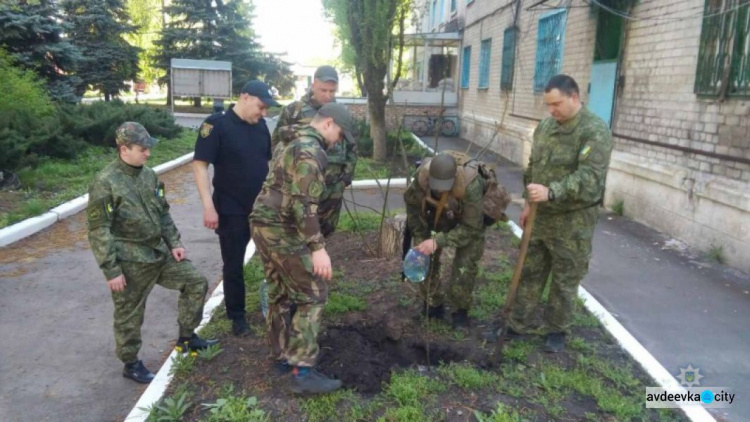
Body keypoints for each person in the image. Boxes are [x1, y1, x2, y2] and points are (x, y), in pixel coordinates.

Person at [87, 122, 217, 384]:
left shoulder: (149, 176)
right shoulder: (105, 182)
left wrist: (175, 243)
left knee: (196, 282)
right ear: (124, 149)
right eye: (142, 149)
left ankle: (187, 338)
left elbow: (163, 213)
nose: (147, 153)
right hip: (130, 261)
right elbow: (99, 230)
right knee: (129, 315)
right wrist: (111, 270)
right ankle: (130, 362)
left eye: (148, 148)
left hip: (159, 253)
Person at [251, 103, 355, 394]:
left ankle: (282, 355)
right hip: (281, 228)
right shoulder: (311, 151)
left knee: (280, 292)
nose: (339, 142)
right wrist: (317, 247)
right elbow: (303, 204)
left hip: (263, 224)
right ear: (328, 123)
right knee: (313, 292)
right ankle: (303, 371)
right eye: (340, 134)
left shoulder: (295, 140)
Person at [508, 74, 613, 353]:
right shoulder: (545, 127)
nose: (551, 110)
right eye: (548, 105)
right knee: (530, 270)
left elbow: (590, 178)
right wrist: (529, 203)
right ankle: (519, 323)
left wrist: (552, 192)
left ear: (574, 97)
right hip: (541, 217)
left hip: (573, 222)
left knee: (565, 278)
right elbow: (533, 166)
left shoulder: (595, 132)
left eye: (556, 104)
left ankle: (557, 330)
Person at [193, 80, 279, 337]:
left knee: (276, 259)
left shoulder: (261, 127)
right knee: (233, 264)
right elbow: (200, 166)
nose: (264, 113)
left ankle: (278, 308)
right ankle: (237, 317)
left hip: (261, 209)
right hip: (230, 209)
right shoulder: (216, 125)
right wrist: (209, 207)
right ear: (244, 97)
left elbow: (267, 164)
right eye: (261, 107)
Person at [404, 151, 498, 329]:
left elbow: (471, 228)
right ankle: (433, 303)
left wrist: (438, 241)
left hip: (469, 222)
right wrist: (421, 236)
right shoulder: (421, 177)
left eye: (444, 186)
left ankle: (460, 310)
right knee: (423, 256)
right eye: (436, 186)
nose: (439, 190)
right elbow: (413, 208)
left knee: (464, 266)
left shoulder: (471, 185)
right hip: (438, 216)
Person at [272, 65, 357, 237]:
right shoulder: (294, 110)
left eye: (332, 91)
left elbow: (352, 147)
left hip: (332, 186)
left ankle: (319, 260)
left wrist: (345, 179)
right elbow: (277, 144)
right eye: (323, 90)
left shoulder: (341, 113)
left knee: (325, 232)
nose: (328, 96)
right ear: (314, 85)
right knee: (298, 230)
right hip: (301, 185)